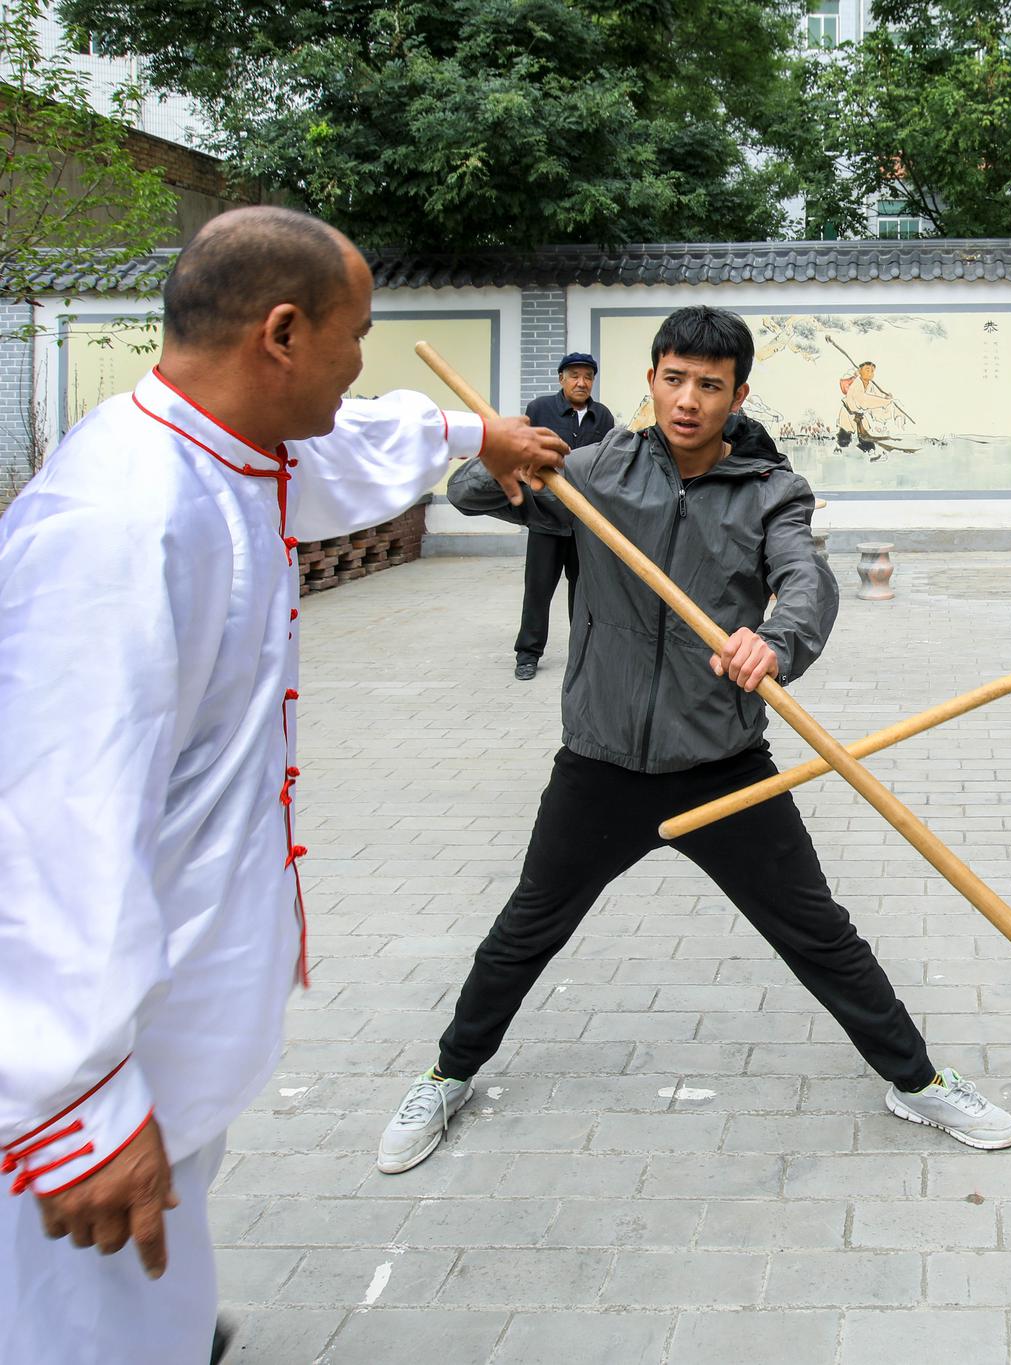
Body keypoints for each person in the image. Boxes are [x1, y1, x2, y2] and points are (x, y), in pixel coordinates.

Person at [0, 206, 566, 1365]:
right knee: (72, 1311)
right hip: (84, 1062)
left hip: (165, 1001)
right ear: (282, 333)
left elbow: (341, 447)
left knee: (149, 1283)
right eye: (354, 337)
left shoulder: (224, 447)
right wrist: (78, 1103)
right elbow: (47, 823)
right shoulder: (122, 523)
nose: (361, 365)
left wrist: (475, 433)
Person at [377, 305, 1011, 1174]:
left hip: (721, 764)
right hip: (599, 761)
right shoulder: (599, 469)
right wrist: (502, 447)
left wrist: (776, 640)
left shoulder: (768, 490)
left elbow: (805, 580)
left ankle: (917, 1079)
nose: (687, 400)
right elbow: (470, 494)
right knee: (525, 931)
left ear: (737, 393)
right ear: (650, 381)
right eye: (673, 379)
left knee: (819, 933)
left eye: (709, 385)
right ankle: (448, 1073)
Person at [513, 353, 613, 679]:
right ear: (561, 379)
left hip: (583, 522)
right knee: (538, 589)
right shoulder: (540, 410)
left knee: (584, 592)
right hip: (546, 519)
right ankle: (527, 654)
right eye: (574, 376)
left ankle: (582, 653)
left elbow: (607, 465)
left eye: (588, 376)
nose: (581, 382)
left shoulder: (602, 417)